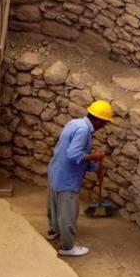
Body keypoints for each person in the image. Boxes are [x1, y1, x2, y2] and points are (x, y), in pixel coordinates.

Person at [46, 100, 114, 256]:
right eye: (104, 123)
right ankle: (67, 247)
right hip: (67, 178)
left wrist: (95, 167)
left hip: (56, 171)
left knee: (55, 205)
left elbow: (72, 152)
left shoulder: (74, 123)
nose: (103, 126)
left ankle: (53, 231)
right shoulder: (84, 131)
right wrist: (96, 156)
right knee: (68, 212)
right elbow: (73, 155)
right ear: (98, 120)